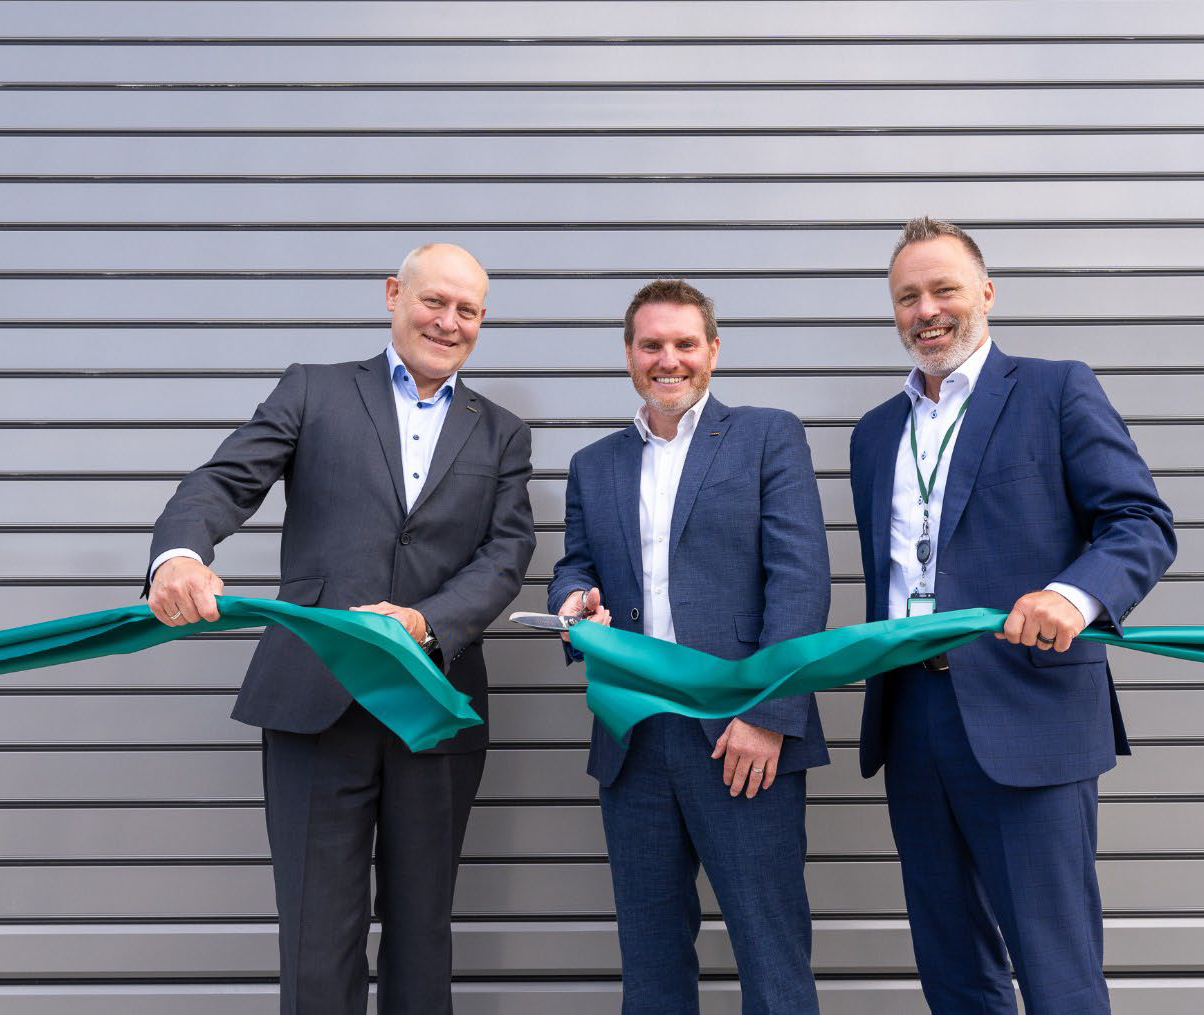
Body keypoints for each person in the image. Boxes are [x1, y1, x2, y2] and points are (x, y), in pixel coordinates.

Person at [144, 244, 536, 1015]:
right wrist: (180, 556)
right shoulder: (314, 391)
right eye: (435, 301)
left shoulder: (503, 434)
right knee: (317, 935)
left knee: (424, 933)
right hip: (314, 696)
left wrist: (426, 620)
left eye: (468, 311)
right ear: (394, 294)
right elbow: (222, 482)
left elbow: (506, 553)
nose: (448, 322)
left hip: (434, 700)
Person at [850, 219, 1176, 1014]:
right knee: (953, 967)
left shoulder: (1056, 388)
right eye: (907, 297)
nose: (926, 310)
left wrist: (1072, 594)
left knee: (1057, 971)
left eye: (943, 290)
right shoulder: (874, 434)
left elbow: (1140, 522)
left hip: (1027, 714)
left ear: (986, 294)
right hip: (911, 718)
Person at [547, 279, 831, 1014]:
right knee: (650, 962)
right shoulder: (594, 464)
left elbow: (800, 582)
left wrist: (770, 713)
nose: (667, 359)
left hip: (742, 735)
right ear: (630, 355)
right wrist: (571, 602)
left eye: (683, 344)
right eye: (651, 345)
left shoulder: (769, 435)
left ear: (712, 349)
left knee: (771, 955)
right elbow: (575, 563)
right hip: (634, 737)